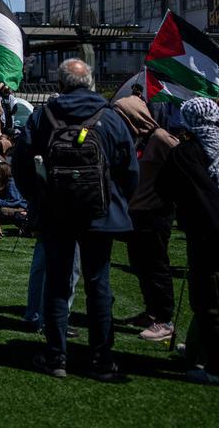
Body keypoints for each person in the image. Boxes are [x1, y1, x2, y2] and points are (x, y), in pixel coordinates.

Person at [13, 58, 138, 381]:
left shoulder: (43, 117)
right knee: (99, 284)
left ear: (60, 84)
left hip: (56, 211)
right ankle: (101, 358)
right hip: (100, 212)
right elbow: (129, 169)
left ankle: (56, 356)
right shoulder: (110, 117)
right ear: (91, 83)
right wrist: (115, 200)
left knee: (58, 282)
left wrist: (37, 198)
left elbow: (21, 164)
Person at [158, 98, 219, 389]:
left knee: (213, 303)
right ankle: (197, 352)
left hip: (210, 235)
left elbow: (165, 190)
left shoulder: (185, 153)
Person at [113, 94, 180, 342]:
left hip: (155, 214)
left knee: (156, 267)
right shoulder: (139, 139)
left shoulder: (161, 138)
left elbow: (181, 162)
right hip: (138, 213)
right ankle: (151, 312)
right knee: (140, 265)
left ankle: (164, 319)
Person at [0, 161, 28, 227]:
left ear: (1, 172)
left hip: (22, 208)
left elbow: (11, 203)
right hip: (15, 206)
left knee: (2, 210)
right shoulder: (3, 181)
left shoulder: (12, 183)